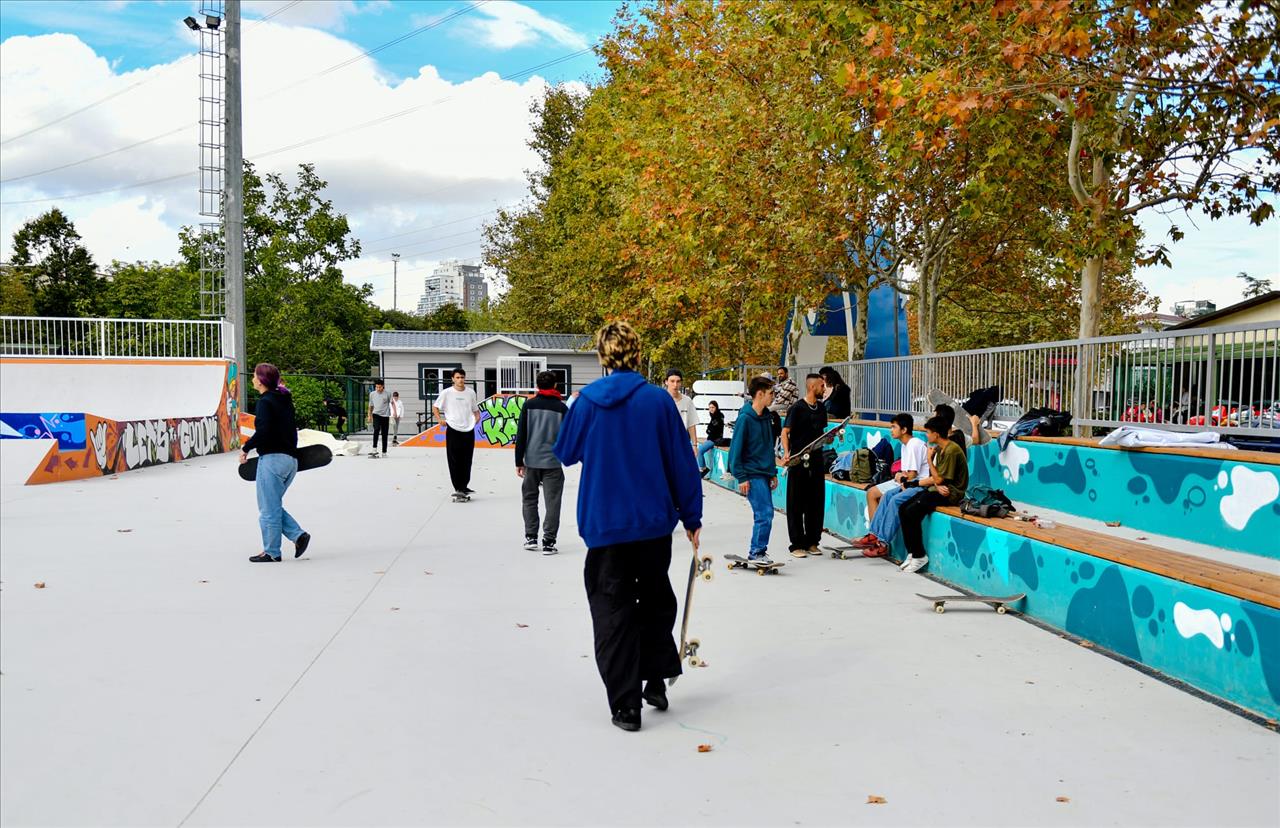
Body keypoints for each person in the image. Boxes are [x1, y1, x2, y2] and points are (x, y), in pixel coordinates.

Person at [554, 321, 703, 733]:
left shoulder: (586, 404)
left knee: (612, 609)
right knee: (655, 600)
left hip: (606, 526)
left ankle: (625, 705)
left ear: (603, 357)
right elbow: (682, 463)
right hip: (654, 522)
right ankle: (654, 680)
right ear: (638, 355)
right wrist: (692, 516)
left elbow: (565, 453)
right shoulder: (658, 401)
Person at [239, 363, 310, 563]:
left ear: (261, 380)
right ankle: (298, 536)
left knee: (268, 509)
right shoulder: (285, 400)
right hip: (290, 461)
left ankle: (272, 552)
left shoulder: (265, 401)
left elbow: (263, 432)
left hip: (272, 461)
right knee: (271, 505)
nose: (252, 379)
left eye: (254, 376)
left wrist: (246, 448)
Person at [897, 415, 970, 573]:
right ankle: (911, 552)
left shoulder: (950, 450)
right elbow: (937, 479)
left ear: (936, 434)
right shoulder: (940, 448)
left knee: (912, 511)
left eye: (928, 432)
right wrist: (937, 484)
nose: (926, 436)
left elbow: (938, 477)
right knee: (903, 508)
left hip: (951, 494)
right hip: (938, 489)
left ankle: (919, 555)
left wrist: (929, 459)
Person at [515, 371, 568, 555]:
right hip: (553, 463)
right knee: (553, 502)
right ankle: (549, 542)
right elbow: (568, 436)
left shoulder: (529, 405)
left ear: (537, 386)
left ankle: (531, 537)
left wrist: (518, 461)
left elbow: (521, 434)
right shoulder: (561, 408)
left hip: (531, 461)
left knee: (529, 499)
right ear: (555, 386)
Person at [727, 376, 778, 564]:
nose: (774, 397)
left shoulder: (766, 417)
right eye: (771, 393)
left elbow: (767, 448)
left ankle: (758, 550)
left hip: (764, 473)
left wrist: (772, 472)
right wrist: (741, 477)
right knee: (764, 514)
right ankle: (756, 551)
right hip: (751, 473)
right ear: (760, 394)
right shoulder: (745, 419)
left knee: (765, 513)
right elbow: (735, 451)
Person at [780, 373, 828, 558]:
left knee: (815, 500)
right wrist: (787, 452)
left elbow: (821, 433)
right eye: (822, 386)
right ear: (812, 386)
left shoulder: (821, 408)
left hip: (816, 459)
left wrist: (830, 437)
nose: (824, 389)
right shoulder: (797, 408)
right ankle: (797, 544)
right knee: (796, 502)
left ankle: (812, 541)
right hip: (799, 460)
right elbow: (785, 432)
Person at [865, 413, 929, 520]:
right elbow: (905, 473)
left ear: (904, 430)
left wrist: (900, 475)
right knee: (871, 493)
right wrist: (900, 475)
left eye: (894, 427)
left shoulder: (914, 444)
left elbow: (912, 476)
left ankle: (875, 533)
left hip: (917, 484)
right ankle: (874, 532)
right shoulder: (905, 445)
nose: (891, 430)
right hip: (906, 482)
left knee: (873, 494)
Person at [433, 368, 480, 498]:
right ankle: (458, 487)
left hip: (468, 429)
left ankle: (464, 485)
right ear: (453, 379)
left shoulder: (470, 392)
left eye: (462, 377)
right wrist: (439, 419)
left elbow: (475, 409)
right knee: (454, 459)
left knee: (467, 459)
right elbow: (435, 406)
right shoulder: (447, 393)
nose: (461, 380)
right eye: (458, 377)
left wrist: (477, 417)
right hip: (453, 428)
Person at [664, 368, 700, 452]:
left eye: (678, 381)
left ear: (681, 383)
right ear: (666, 382)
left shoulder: (687, 401)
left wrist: (694, 445)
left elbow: (691, 424)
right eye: (672, 381)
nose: (675, 385)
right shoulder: (659, 399)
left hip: (682, 443)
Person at [696, 400, 725, 477]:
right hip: (711, 438)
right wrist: (709, 430)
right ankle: (705, 470)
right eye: (710, 407)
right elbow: (710, 429)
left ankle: (703, 468)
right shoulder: (714, 416)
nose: (711, 409)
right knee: (700, 450)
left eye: (713, 407)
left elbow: (713, 430)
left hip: (715, 439)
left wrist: (709, 430)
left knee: (699, 451)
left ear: (716, 407)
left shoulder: (718, 416)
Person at [368, 379, 391, 458]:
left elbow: (391, 404)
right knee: (376, 429)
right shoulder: (372, 394)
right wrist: (369, 415)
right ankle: (374, 449)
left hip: (385, 416)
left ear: (383, 386)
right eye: (376, 387)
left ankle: (384, 452)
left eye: (379, 387)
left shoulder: (388, 394)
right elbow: (370, 406)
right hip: (376, 414)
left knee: (385, 434)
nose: (378, 389)